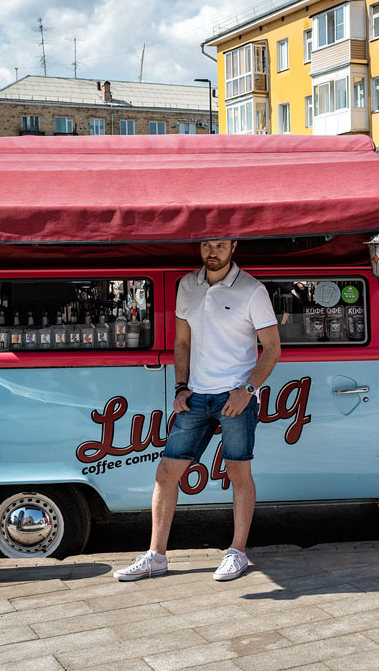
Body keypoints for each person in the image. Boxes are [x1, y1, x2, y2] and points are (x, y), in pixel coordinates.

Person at [114, 239, 281, 583]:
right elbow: (182, 342)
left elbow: (273, 349)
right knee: (166, 472)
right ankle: (156, 556)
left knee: (238, 473)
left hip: (235, 397)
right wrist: (180, 386)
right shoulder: (187, 285)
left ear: (234, 246)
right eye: (207, 244)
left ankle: (237, 553)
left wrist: (247, 391)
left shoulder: (252, 290)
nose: (212, 251)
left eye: (220, 244)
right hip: (197, 396)